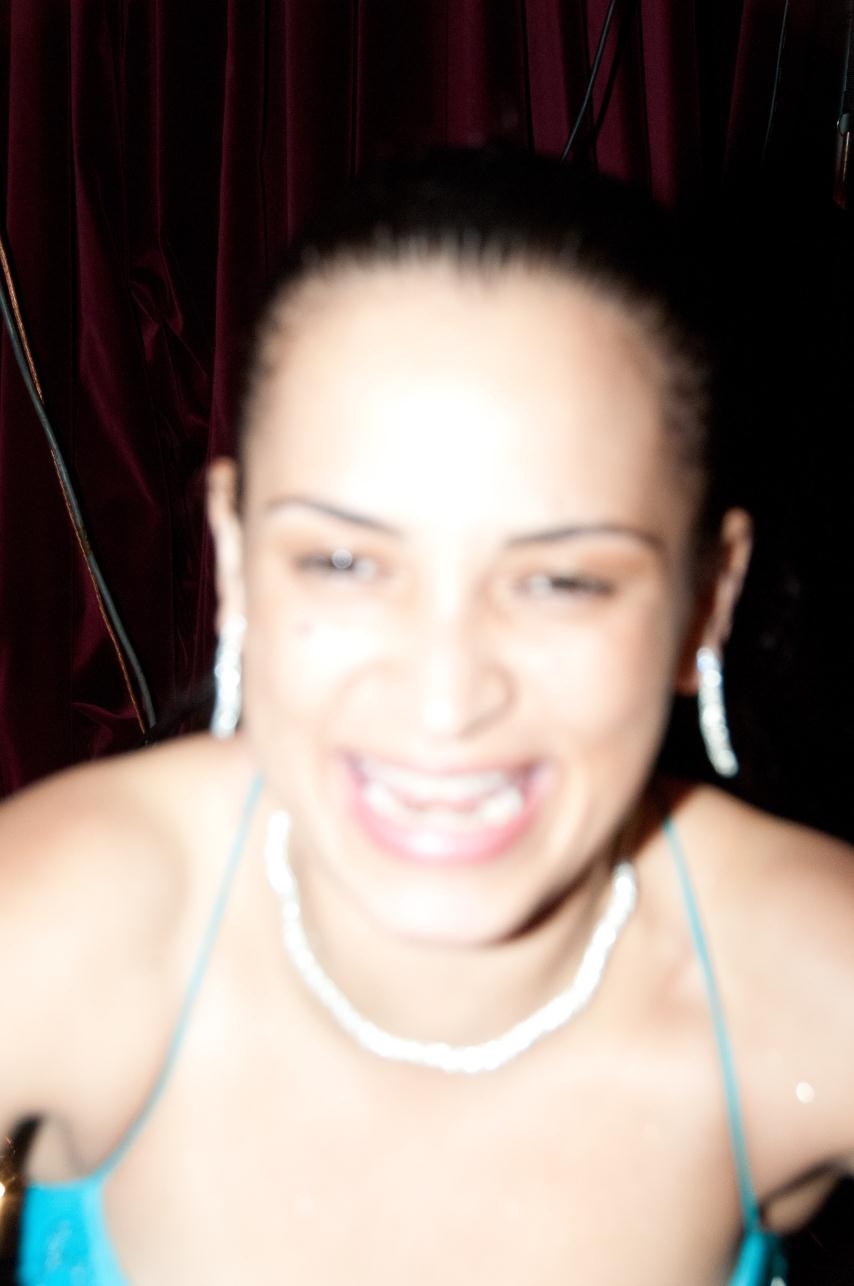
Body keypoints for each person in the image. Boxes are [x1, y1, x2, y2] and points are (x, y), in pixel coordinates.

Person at [2, 148, 852, 1286]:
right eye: (346, 561)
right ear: (236, 558)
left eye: (562, 581)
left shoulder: (807, 979)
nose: (445, 701)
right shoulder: (57, 921)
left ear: (708, 596)